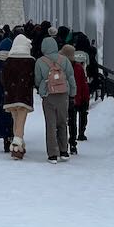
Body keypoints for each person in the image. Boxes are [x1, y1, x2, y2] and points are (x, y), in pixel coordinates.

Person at [34, 35, 75, 163]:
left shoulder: (40, 61)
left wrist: (41, 90)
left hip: (49, 95)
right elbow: (70, 77)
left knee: (51, 124)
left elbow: (38, 80)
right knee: (63, 122)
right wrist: (72, 93)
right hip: (63, 94)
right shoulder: (64, 60)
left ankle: (52, 154)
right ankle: (64, 151)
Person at [1, 33, 36, 159]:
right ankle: (17, 143)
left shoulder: (8, 61)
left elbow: (3, 78)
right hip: (24, 95)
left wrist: (9, 87)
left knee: (16, 120)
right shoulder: (30, 61)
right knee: (21, 120)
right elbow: (34, 79)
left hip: (10, 95)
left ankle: (19, 146)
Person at [63, 39, 91, 154]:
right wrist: (86, 97)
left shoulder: (62, 67)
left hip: (63, 97)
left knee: (64, 121)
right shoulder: (78, 68)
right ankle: (74, 141)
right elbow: (83, 84)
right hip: (77, 98)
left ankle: (62, 143)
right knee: (73, 121)